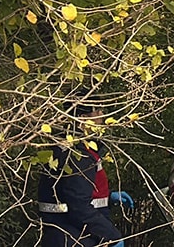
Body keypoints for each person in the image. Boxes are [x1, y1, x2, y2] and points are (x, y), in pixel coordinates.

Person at [38, 101, 133, 247]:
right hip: (75, 237)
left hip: (62, 235)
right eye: (97, 110)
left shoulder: (63, 146)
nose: (102, 115)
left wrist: (107, 197)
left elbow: (70, 192)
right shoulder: (78, 154)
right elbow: (78, 206)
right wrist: (111, 236)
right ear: (82, 118)